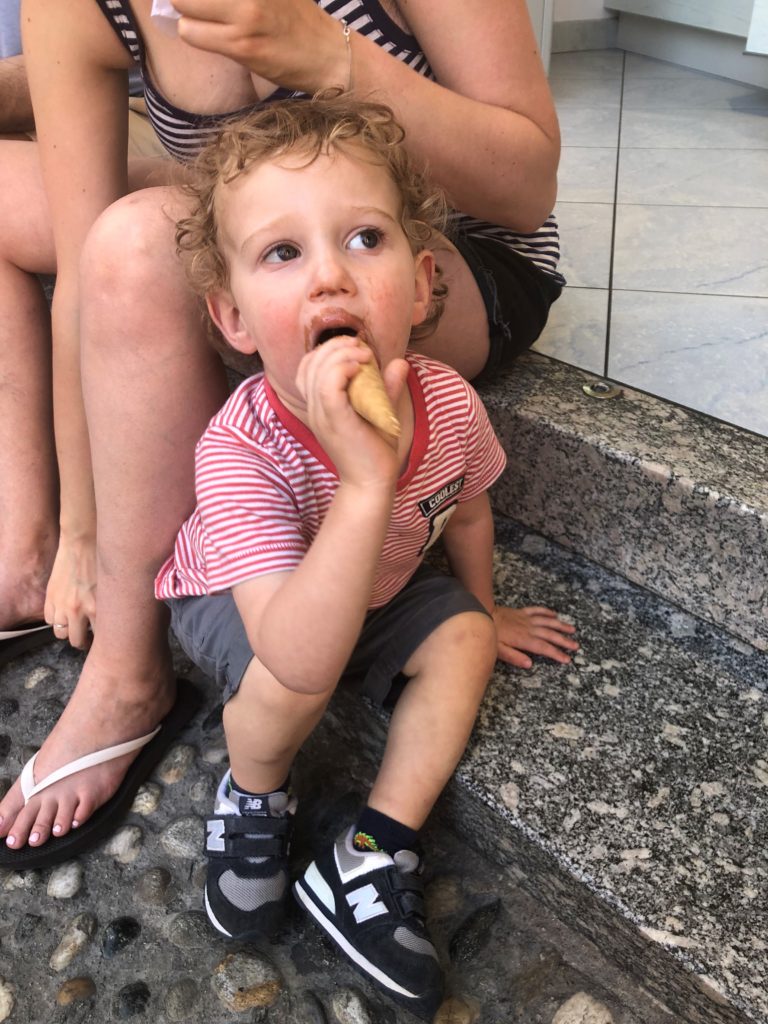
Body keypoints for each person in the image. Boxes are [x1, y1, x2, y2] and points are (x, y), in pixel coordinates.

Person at [0, 0, 562, 864]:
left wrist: (326, 52)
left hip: (451, 250)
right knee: (108, 235)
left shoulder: (424, 332)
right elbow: (83, 270)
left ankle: (127, 672)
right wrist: (82, 526)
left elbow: (526, 189)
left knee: (142, 242)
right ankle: (28, 549)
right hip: (260, 232)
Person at [152, 93, 576, 1018]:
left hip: (379, 589)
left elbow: (465, 514)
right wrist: (363, 485)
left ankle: (373, 849)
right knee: (294, 683)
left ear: (425, 286)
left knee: (462, 637)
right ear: (233, 317)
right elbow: (299, 651)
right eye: (282, 253)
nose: (330, 279)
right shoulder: (243, 450)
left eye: (365, 240)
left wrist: (483, 605)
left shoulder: (448, 404)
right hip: (247, 606)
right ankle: (255, 795)